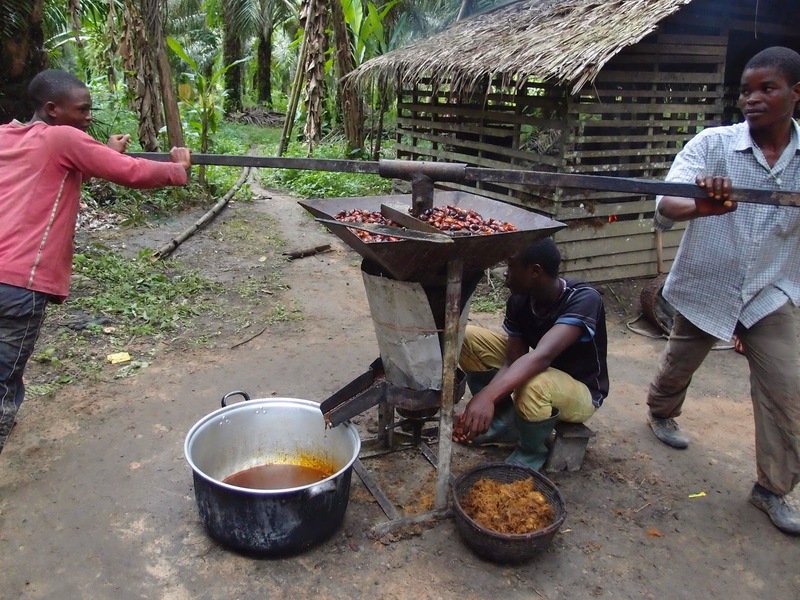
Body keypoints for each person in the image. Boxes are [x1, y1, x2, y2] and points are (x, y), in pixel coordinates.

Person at [645, 46, 800, 535]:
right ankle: (660, 412)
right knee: (681, 361)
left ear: (796, 93)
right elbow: (667, 203)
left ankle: (771, 489)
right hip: (707, 279)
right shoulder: (713, 145)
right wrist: (700, 206)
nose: (751, 99)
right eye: (746, 91)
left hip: (768, 289)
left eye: (766, 88)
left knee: (786, 390)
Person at [0, 69, 192, 455]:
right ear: (53, 109)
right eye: (83, 110)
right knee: (3, 374)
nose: (89, 116)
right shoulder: (63, 137)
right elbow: (131, 172)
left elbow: (55, 173)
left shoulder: (8, 136)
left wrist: (104, 150)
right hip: (22, 280)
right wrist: (177, 168)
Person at [453, 238, 609, 470]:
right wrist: (489, 397)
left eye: (512, 266)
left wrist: (486, 396)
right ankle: (504, 424)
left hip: (581, 391)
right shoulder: (519, 300)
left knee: (535, 383)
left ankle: (530, 453)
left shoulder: (584, 298)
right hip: (542, 374)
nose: (506, 273)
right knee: (467, 338)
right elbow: (512, 360)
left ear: (535, 271)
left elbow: (541, 357)